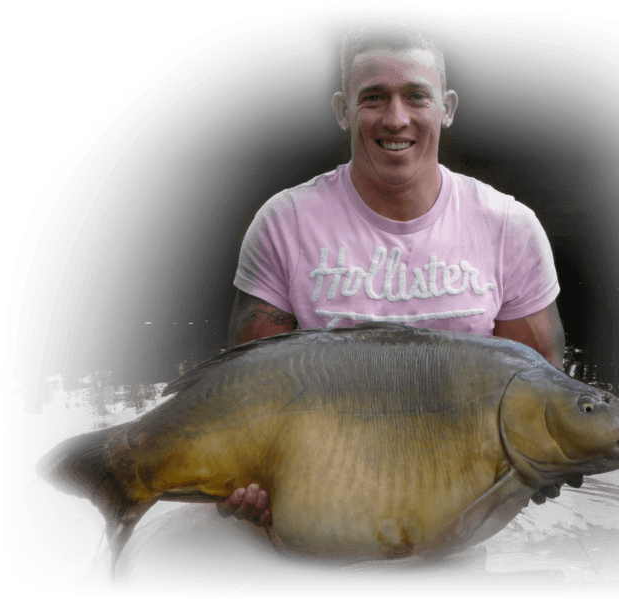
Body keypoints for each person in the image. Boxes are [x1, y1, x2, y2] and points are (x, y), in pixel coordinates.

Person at [217, 22, 576, 545]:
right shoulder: (285, 222)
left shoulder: (508, 227)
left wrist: (546, 463)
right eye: (374, 98)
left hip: (457, 519)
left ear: (447, 106)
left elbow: (541, 400)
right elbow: (245, 395)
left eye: (415, 95)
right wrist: (245, 479)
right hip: (316, 511)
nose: (396, 118)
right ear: (343, 110)